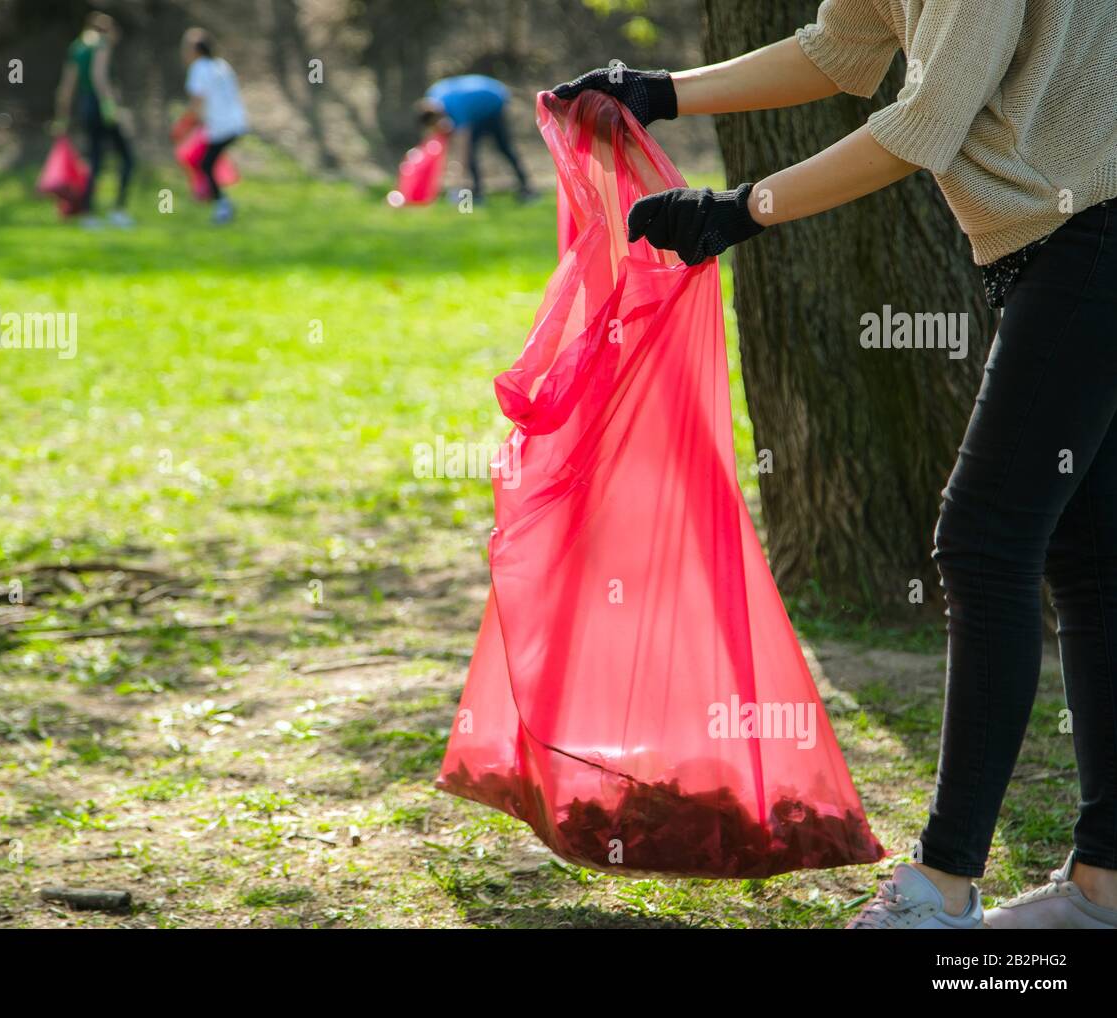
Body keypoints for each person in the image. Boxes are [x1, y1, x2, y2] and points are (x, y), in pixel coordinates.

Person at [554, 0, 1117, 930]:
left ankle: (942, 884)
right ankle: (1103, 886)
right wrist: (659, 93)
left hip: (1089, 235)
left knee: (985, 544)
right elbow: (844, 47)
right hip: (1063, 240)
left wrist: (739, 209)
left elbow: (920, 126)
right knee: (1087, 559)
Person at [53, 11, 134, 228]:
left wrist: (62, 117)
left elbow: (67, 86)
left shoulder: (78, 47)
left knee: (94, 160)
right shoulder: (101, 44)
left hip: (86, 106)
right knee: (127, 158)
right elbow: (100, 76)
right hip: (101, 106)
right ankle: (119, 210)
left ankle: (88, 214)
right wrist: (111, 107)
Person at [417, 74, 532, 203]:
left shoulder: (455, 107)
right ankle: (477, 192)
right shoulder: (433, 94)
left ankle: (525, 188)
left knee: (502, 147)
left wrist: (458, 176)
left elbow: (463, 145)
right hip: (482, 98)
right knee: (474, 152)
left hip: (493, 103)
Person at [180, 27, 249, 225]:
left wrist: (185, 123)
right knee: (207, 163)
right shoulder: (221, 65)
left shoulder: (199, 68)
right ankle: (216, 199)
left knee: (206, 164)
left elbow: (197, 102)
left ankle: (222, 206)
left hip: (220, 126)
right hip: (236, 122)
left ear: (195, 50)